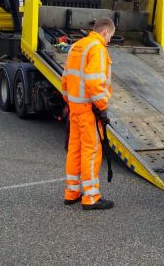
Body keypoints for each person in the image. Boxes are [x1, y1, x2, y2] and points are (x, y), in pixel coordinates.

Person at [62, 18, 115, 210]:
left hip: (75, 107)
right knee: (91, 150)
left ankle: (72, 192)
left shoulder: (77, 46)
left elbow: (66, 78)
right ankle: (91, 197)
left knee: (74, 149)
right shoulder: (97, 49)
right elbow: (94, 83)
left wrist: (69, 101)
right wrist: (102, 107)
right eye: (110, 36)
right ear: (104, 32)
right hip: (88, 109)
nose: (109, 41)